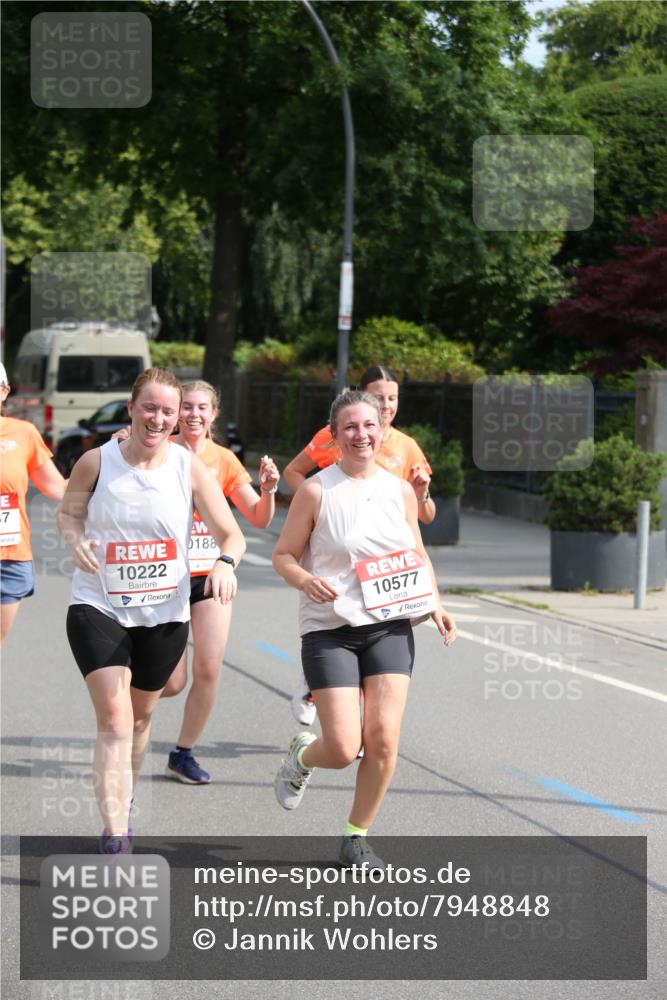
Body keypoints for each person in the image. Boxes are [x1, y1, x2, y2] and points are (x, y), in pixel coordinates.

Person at [58, 368, 246, 854]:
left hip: (165, 612)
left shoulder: (188, 467)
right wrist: (75, 540)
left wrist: (225, 563)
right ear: (132, 408)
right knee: (117, 721)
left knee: (141, 719)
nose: (159, 418)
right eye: (150, 408)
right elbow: (68, 513)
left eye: (169, 410)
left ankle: (127, 792)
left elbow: (232, 533)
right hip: (97, 604)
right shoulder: (95, 462)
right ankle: (116, 830)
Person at [273, 388, 457, 869]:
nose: (361, 435)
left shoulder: (398, 490)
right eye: (350, 427)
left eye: (369, 426)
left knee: (384, 739)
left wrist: (435, 603)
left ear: (382, 430)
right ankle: (302, 758)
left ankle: (356, 836)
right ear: (334, 436)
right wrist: (306, 579)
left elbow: (416, 553)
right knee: (341, 746)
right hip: (330, 629)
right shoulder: (317, 491)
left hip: (390, 626)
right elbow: (283, 555)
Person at [283, 365, 436, 725]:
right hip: (340, 562)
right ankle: (324, 694)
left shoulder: (406, 446)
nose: (386, 405)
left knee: (380, 713)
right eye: (379, 397)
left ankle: (362, 731)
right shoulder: (335, 437)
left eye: (392, 398)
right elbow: (295, 472)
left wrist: (423, 492)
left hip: (387, 577)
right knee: (343, 734)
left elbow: (425, 514)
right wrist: (314, 509)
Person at [160, 380, 280, 784]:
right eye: (186, 407)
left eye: (202, 408)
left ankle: (183, 753)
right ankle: (122, 706)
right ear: (176, 412)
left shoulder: (224, 460)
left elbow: (259, 519)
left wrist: (267, 490)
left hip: (212, 573)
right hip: (162, 576)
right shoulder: (159, 449)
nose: (193, 414)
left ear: (214, 414)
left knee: (209, 667)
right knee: (172, 681)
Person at [0, 362, 67, 644]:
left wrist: (115, 459)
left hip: (9, 558)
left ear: (4, 391)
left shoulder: (23, 433)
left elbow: (59, 488)